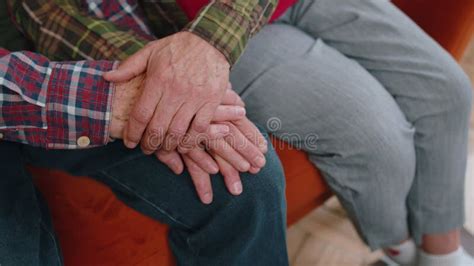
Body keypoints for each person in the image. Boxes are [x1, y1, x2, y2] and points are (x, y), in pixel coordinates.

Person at [5, 0, 474, 265]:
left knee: (450, 90)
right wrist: (156, 85)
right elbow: (54, 15)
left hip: (234, 17)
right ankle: (400, 250)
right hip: (193, 24)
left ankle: (441, 254)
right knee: (378, 140)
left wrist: (208, 44)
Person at [0, 33, 288, 266]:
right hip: (26, 92)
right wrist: (103, 101)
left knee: (248, 179)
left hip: (58, 69)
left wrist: (171, 81)